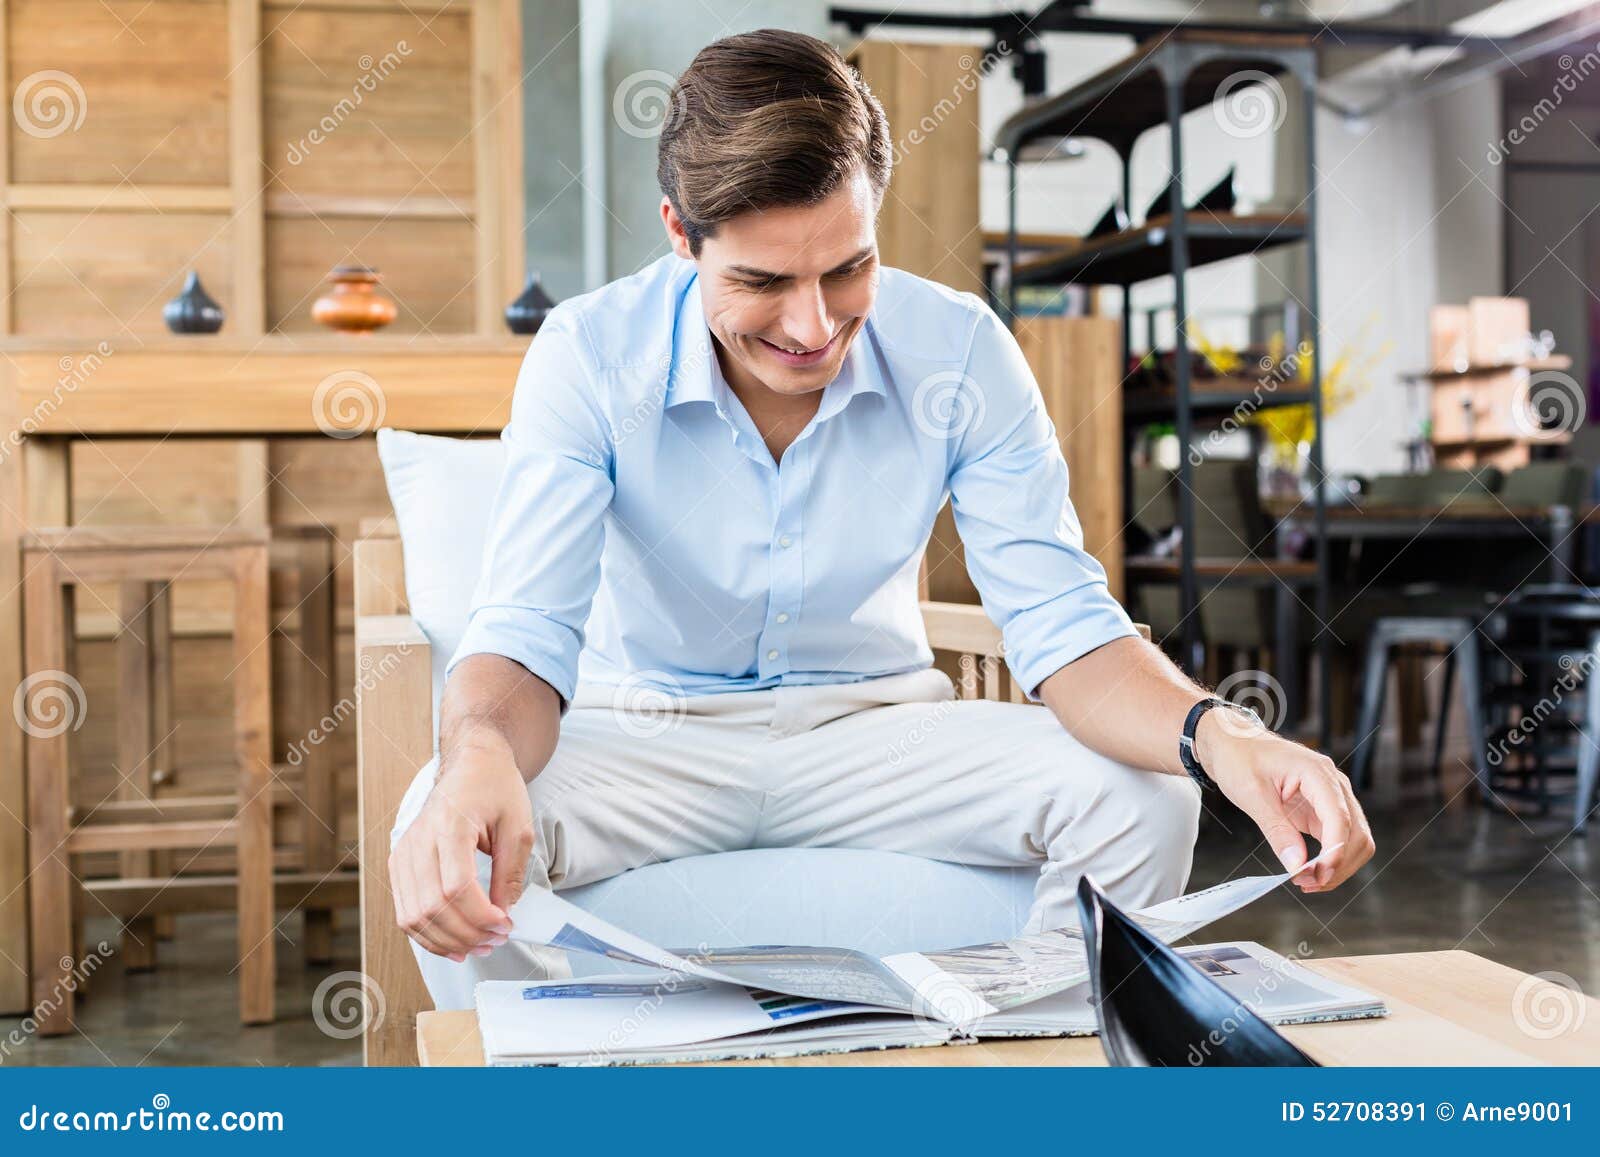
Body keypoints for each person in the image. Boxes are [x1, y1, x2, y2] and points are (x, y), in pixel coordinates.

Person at [388, 28, 1373, 998]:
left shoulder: (959, 348)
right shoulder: (590, 350)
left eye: (845, 268)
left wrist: (1222, 733)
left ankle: (1009, 1061)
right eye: (763, 281)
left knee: (1145, 800)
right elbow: (525, 629)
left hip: (873, 734)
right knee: (439, 835)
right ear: (680, 234)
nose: (813, 326)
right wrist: (473, 752)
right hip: (648, 733)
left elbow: (1066, 627)